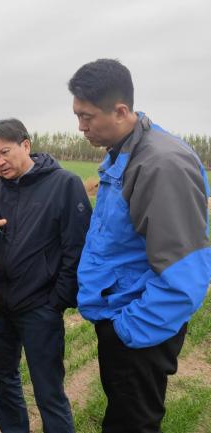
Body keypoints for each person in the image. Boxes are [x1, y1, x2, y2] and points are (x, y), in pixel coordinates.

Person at [69, 58, 211, 433]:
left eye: (86, 117)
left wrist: (126, 331)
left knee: (133, 424)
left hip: (140, 326)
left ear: (120, 111)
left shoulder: (161, 165)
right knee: (122, 416)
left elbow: (185, 273)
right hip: (123, 313)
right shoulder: (125, 151)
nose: (80, 127)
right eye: (77, 116)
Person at [0, 118, 92, 433]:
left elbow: (77, 247)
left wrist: (58, 300)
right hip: (0, 302)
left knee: (48, 389)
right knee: (4, 379)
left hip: (40, 305)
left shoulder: (65, 184)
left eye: (4, 152)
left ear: (26, 145)